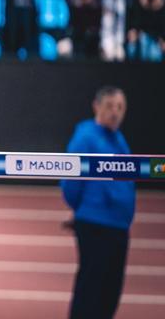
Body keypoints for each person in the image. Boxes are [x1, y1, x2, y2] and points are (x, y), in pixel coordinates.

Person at [61, 86, 134, 319]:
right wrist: (82, 209)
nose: (115, 112)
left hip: (120, 225)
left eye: (120, 107)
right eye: (110, 106)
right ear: (97, 106)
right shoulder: (85, 137)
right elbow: (71, 182)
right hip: (94, 223)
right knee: (91, 287)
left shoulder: (119, 139)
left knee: (111, 290)